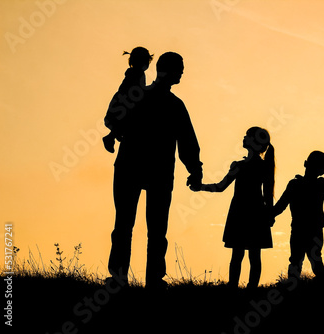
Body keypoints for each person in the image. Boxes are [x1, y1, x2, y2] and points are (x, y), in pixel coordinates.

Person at [107, 52, 203, 289]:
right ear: (167, 70)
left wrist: (195, 168)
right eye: (179, 67)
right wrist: (195, 170)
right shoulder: (173, 105)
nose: (182, 72)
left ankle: (123, 279)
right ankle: (152, 281)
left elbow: (112, 118)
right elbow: (187, 142)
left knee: (130, 226)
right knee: (151, 228)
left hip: (134, 168)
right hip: (151, 171)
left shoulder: (149, 97)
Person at [192, 127, 275, 288]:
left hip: (239, 213)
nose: (244, 138)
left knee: (237, 254)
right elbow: (267, 196)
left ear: (254, 142)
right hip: (256, 213)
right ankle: (251, 288)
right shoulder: (263, 166)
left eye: (247, 136)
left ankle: (233, 287)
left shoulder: (239, 166)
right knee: (254, 255)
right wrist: (269, 216)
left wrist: (200, 187)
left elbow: (220, 187)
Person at [272, 151, 324, 280]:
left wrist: (269, 216)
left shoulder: (295, 185)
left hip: (299, 228)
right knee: (315, 258)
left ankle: (292, 287)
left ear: (305, 163)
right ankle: (322, 284)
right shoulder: (319, 184)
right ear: (322, 172)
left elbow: (280, 206)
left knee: (296, 260)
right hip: (314, 229)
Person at [103, 46, 154, 153]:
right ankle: (111, 137)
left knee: (121, 121)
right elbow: (137, 89)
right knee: (124, 119)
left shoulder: (133, 72)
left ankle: (114, 135)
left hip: (124, 100)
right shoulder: (138, 73)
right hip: (127, 102)